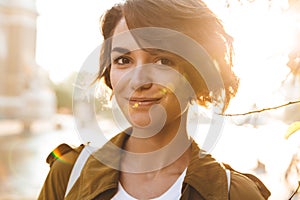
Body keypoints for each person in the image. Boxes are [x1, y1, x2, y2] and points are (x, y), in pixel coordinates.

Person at [38, 0, 271, 199]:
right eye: (123, 60)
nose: (138, 81)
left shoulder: (236, 193)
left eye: (163, 61)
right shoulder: (68, 173)